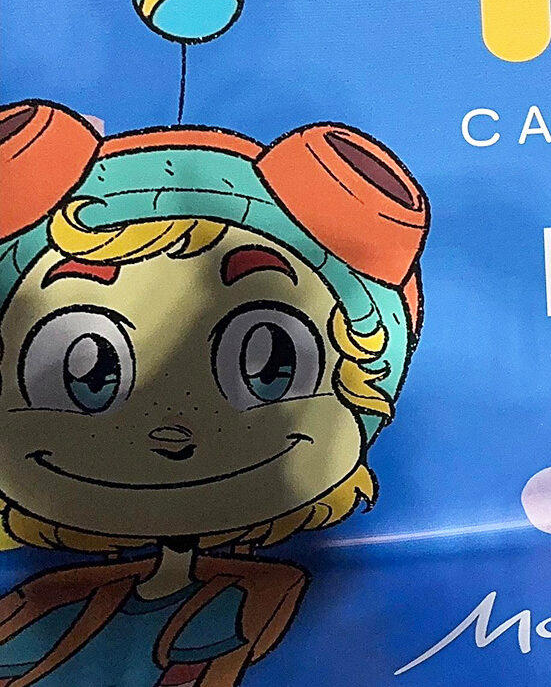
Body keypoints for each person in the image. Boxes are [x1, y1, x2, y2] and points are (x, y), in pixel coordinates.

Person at [0, 101, 429, 685]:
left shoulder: (255, 593)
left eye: (270, 363)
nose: (171, 431)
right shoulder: (47, 597)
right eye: (89, 373)